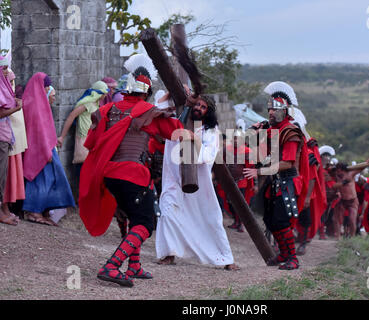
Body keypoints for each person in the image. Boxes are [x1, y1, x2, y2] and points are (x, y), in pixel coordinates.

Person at [79, 53, 183, 287]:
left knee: (132, 216)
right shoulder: (149, 112)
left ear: (126, 89)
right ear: (146, 91)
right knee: (145, 223)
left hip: (109, 174)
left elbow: (91, 142)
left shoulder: (107, 110)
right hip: (133, 175)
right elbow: (175, 132)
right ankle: (112, 266)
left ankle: (133, 265)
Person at [155, 94, 240, 271]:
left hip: (199, 185)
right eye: (197, 105)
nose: (198, 109)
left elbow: (208, 155)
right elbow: (159, 107)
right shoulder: (178, 120)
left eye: (203, 107)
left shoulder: (211, 131)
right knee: (168, 211)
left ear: (208, 112)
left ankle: (225, 258)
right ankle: (168, 253)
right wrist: (172, 94)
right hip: (174, 179)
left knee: (211, 220)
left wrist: (194, 139)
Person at [244, 81, 308, 270]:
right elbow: (258, 151)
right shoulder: (270, 129)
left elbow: (287, 162)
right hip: (273, 182)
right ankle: (284, 253)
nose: (271, 112)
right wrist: (253, 132)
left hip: (287, 181)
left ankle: (293, 258)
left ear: (285, 111)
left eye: (275, 109)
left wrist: (259, 171)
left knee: (281, 221)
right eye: (270, 109)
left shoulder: (290, 131)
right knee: (270, 220)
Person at [21, 73, 76, 226]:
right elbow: (37, 131)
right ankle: (34, 211)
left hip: (45, 148)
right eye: (45, 86)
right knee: (40, 181)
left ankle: (43, 210)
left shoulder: (37, 102)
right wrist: (45, 151)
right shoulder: (33, 104)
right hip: (38, 150)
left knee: (50, 180)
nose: (46, 89)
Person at [57, 80, 109, 195]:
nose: (106, 95)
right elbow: (71, 117)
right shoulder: (87, 103)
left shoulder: (95, 104)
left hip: (92, 140)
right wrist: (62, 136)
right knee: (82, 170)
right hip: (83, 140)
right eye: (104, 93)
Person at [0, 57, 23, 226]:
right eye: (4, 69)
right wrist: (17, 108)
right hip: (1, 135)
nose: (7, 73)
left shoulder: (4, 85)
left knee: (3, 174)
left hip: (5, 134)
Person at [332, 162, 369, 239]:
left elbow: (360, 169)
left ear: (343, 170)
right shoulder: (336, 176)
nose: (338, 172)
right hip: (342, 200)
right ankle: (337, 236)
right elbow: (333, 184)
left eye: (339, 170)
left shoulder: (350, 174)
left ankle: (352, 237)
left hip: (352, 201)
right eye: (337, 170)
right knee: (337, 219)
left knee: (352, 219)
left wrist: (367, 163)